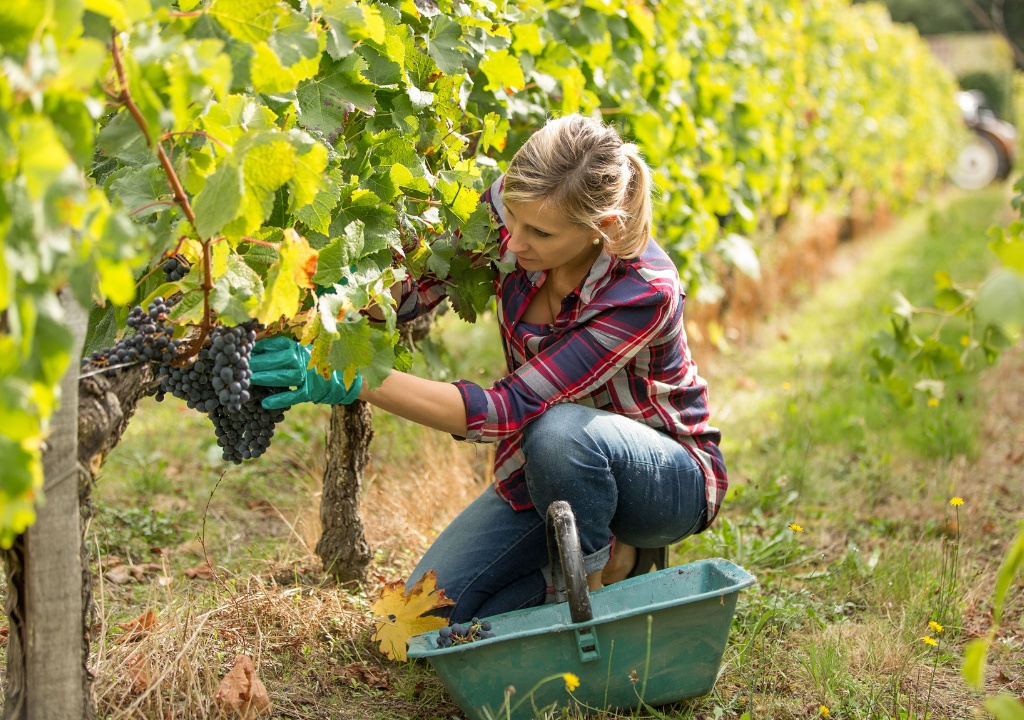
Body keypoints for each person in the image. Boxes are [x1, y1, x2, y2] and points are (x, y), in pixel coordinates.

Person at [250, 114, 727, 623]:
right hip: (543, 474)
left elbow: (508, 411)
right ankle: (589, 560)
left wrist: (356, 377)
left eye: (539, 233)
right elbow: (415, 286)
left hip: (661, 480)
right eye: (513, 219)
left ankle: (596, 590)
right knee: (422, 620)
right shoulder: (515, 211)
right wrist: (324, 303)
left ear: (601, 228)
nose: (514, 242)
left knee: (560, 432)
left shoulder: (641, 291)